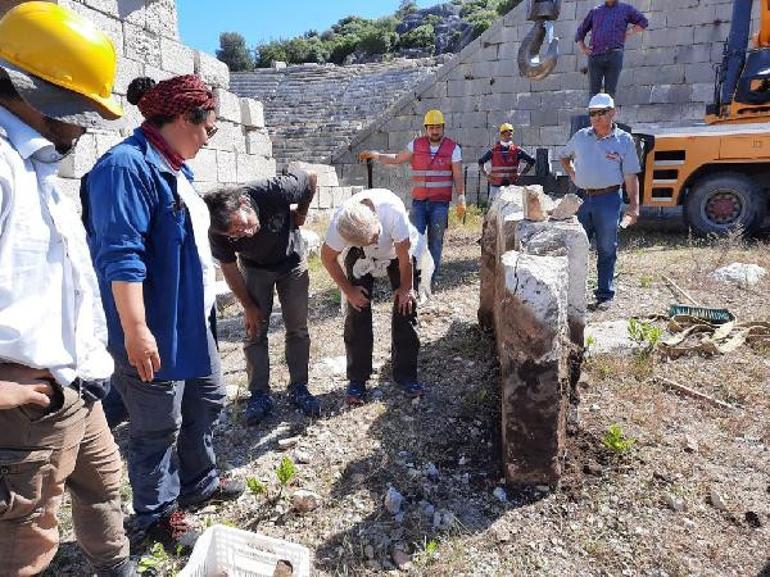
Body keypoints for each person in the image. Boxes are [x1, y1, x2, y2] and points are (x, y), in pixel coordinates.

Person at [0, 3, 135, 576]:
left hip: (75, 387)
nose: (83, 125)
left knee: (104, 490)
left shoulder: (38, 167)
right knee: (23, 546)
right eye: (77, 109)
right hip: (24, 410)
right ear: (34, 90)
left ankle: (119, 569)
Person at [84, 74, 243, 551]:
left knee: (208, 399)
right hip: (153, 327)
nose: (209, 138)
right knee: (156, 427)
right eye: (208, 128)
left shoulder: (175, 167)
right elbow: (121, 253)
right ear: (180, 118)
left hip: (192, 320)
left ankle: (200, 481)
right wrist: (135, 330)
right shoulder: (124, 168)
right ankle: (156, 514)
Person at [203, 171, 320, 426]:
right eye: (235, 234)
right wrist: (248, 306)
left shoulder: (274, 190)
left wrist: (301, 212)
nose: (244, 234)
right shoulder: (217, 229)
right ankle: (259, 394)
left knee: (298, 328)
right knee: (254, 330)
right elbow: (229, 268)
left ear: (244, 204)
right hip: (255, 269)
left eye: (243, 225)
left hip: (292, 263)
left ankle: (299, 387)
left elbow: (311, 177)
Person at [320, 189, 422, 404]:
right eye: (369, 241)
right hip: (361, 258)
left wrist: (406, 289)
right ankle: (357, 379)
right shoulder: (341, 223)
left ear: (376, 218)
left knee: (406, 306)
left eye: (375, 237)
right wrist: (349, 291)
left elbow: (405, 258)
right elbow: (327, 258)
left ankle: (406, 375)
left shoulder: (393, 212)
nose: (375, 242)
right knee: (357, 310)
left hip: (397, 253)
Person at [358, 109, 465, 284]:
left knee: (435, 241)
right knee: (414, 239)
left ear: (443, 128)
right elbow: (397, 159)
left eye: (438, 127)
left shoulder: (453, 149)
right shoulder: (416, 145)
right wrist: (376, 155)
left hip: (440, 204)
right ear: (426, 129)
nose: (435, 131)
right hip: (419, 203)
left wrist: (461, 197)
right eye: (431, 128)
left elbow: (458, 175)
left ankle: (430, 277)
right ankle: (414, 275)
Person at [559, 93, 641, 309]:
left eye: (601, 113)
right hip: (583, 200)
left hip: (609, 199)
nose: (595, 118)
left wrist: (634, 207)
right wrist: (574, 174)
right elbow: (564, 156)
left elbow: (631, 175)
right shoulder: (581, 137)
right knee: (576, 247)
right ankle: (573, 294)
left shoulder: (623, 140)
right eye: (592, 113)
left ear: (612, 112)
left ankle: (604, 294)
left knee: (607, 248)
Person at [575, 0, 648, 99]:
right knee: (594, 93)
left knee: (610, 93)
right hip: (595, 57)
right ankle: (594, 115)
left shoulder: (626, 9)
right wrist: (583, 48)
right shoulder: (595, 11)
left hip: (615, 55)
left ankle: (607, 114)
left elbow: (643, 22)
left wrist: (628, 32)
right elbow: (580, 31)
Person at [477, 123, 536, 202]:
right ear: (501, 135)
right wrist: (486, 175)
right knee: (493, 210)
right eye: (505, 134)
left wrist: (522, 174)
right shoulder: (493, 151)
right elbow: (481, 161)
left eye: (509, 134)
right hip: (496, 186)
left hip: (511, 186)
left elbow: (531, 161)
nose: (507, 137)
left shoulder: (517, 151)